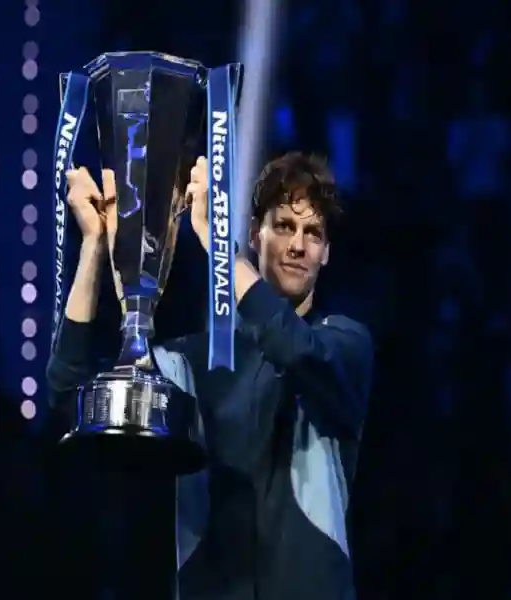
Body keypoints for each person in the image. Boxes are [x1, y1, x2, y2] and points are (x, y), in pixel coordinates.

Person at [46, 152, 374, 600]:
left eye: (313, 233)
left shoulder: (344, 345)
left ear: (327, 253)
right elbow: (70, 396)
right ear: (256, 234)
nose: (298, 245)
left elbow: (295, 350)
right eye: (283, 226)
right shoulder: (191, 362)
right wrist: (94, 248)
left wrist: (220, 247)